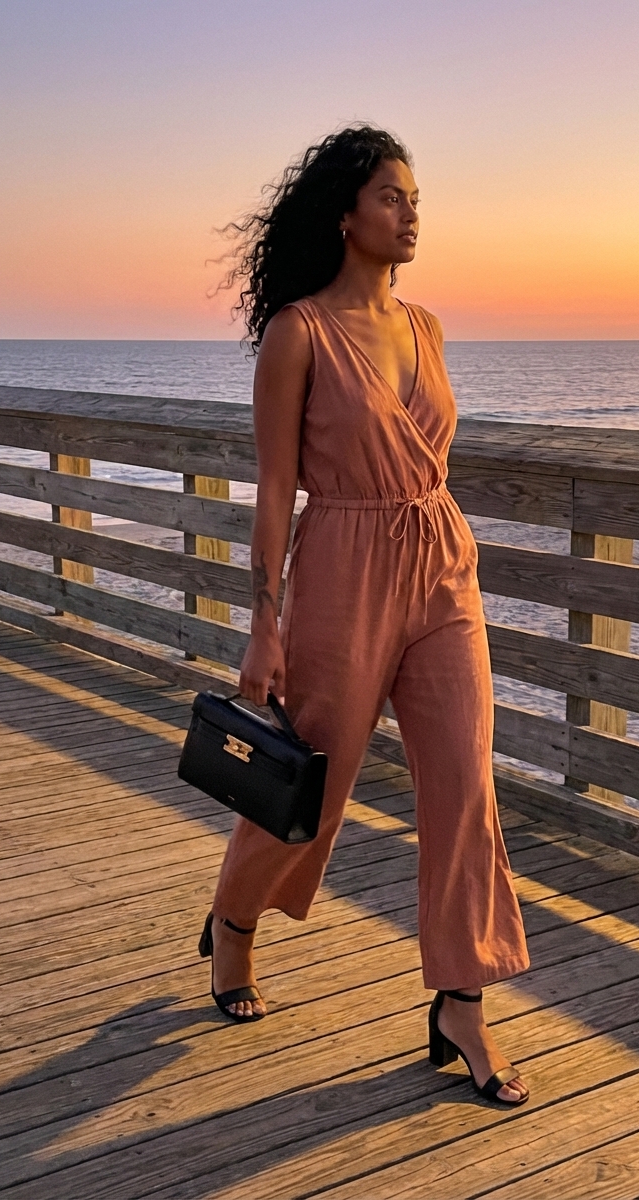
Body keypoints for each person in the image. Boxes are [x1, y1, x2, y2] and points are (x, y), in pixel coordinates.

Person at [201, 125, 530, 1104]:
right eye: (391, 196)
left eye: (415, 196)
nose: (410, 212)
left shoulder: (426, 328)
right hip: (341, 564)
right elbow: (271, 491)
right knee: (311, 784)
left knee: (464, 783)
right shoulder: (298, 333)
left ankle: (460, 1000)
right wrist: (263, 622)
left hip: (439, 562)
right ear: (345, 215)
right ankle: (233, 925)